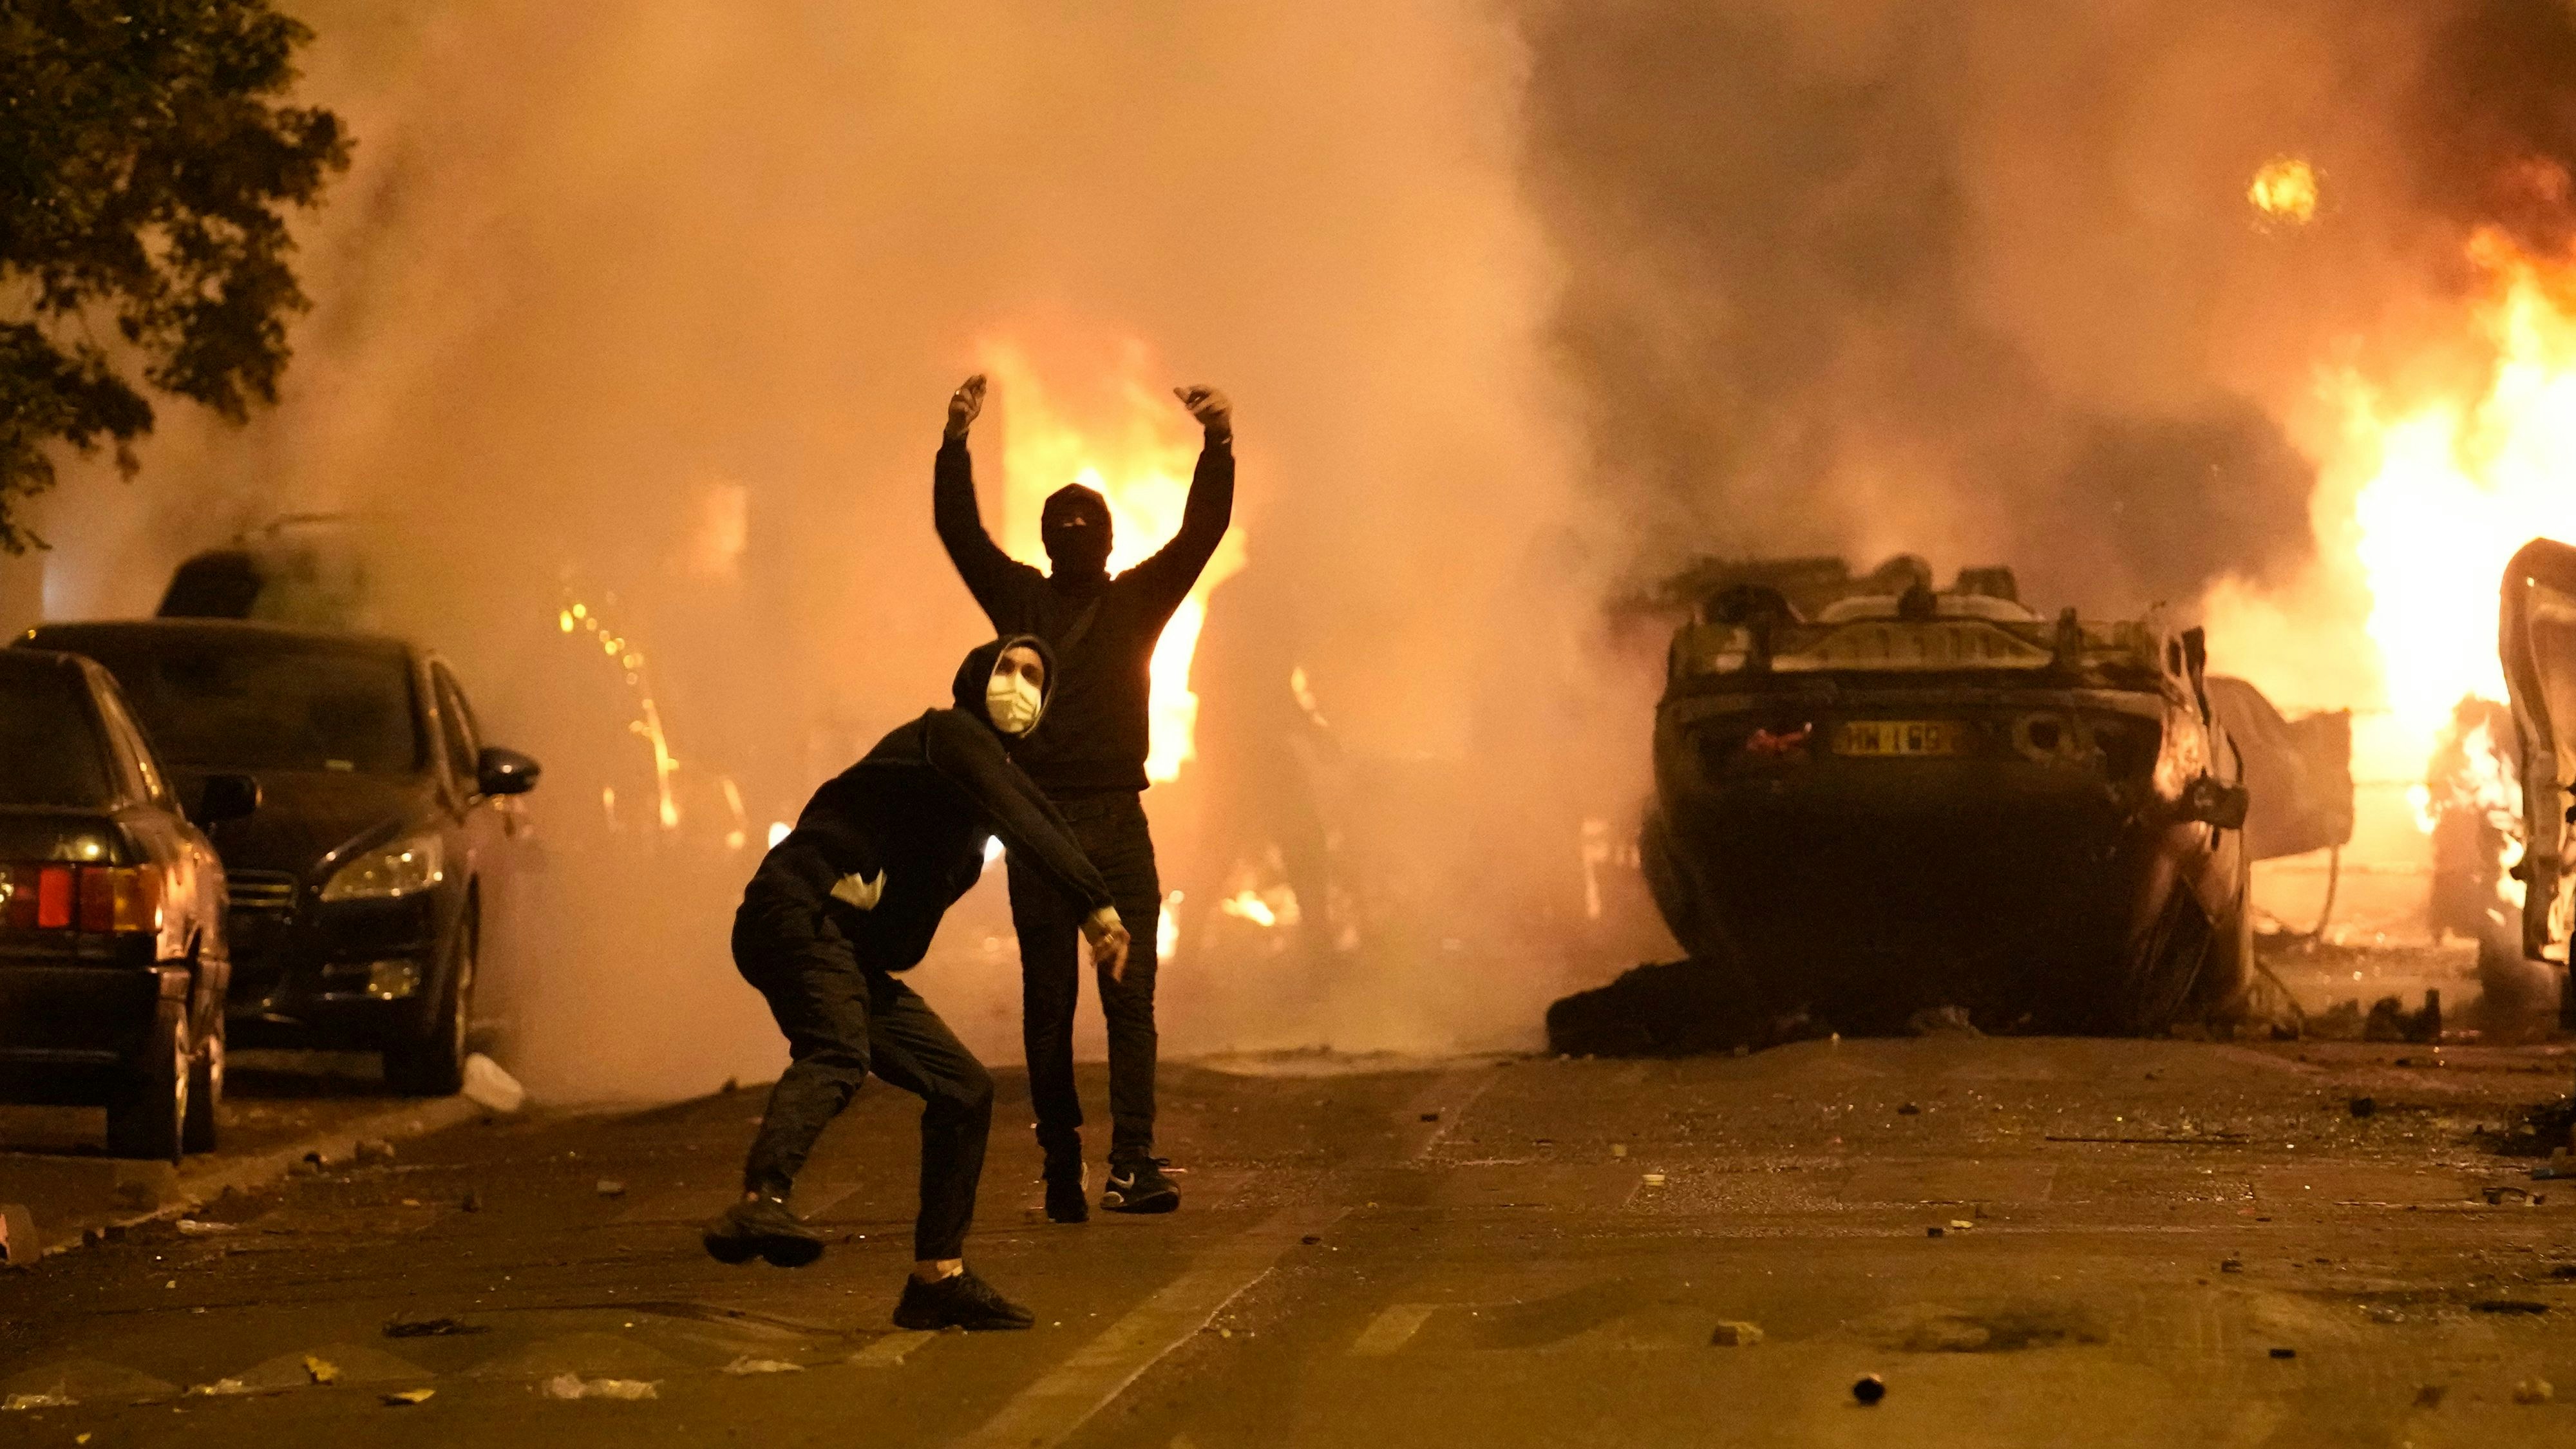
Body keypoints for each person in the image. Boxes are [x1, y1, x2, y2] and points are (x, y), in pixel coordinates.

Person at [704, 636, 1131, 1332]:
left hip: (842, 946)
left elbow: (1027, 812)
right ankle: (760, 1199)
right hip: (796, 912)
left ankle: (937, 1279)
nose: (1018, 686)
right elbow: (1025, 817)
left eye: (1034, 679)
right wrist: (1097, 908)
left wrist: (878, 900)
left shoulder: (969, 816)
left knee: (963, 1089)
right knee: (838, 1051)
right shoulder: (948, 736)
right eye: (1008, 669)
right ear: (975, 675)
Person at [933, 371, 1233, 1222]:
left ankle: (1060, 1161)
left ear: (1049, 541)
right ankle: (1131, 1163)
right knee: (1129, 1000)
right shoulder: (1136, 600)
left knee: (1048, 999)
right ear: (1103, 543)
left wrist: (955, 440)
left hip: (1035, 830)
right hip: (1113, 827)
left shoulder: (1018, 599)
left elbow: (959, 531)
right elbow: (1201, 531)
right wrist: (1217, 441)